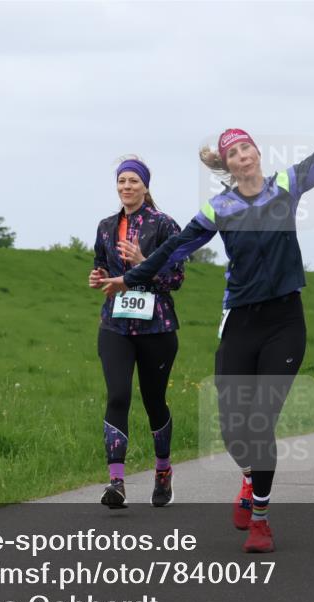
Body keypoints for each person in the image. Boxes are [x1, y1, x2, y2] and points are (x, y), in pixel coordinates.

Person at [100, 65, 314, 552]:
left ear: (257, 153)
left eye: (247, 147)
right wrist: (131, 276)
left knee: (261, 424)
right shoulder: (219, 209)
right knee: (233, 429)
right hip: (240, 322)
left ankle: (262, 520)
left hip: (285, 322)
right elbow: (174, 252)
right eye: (233, 152)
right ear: (227, 165)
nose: (243, 155)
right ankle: (249, 478)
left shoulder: (287, 186)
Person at [88, 157, 185, 509]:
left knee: (154, 401)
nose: (126, 186)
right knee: (117, 396)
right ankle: (116, 481)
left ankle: (162, 472)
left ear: (145, 186)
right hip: (114, 325)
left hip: (156, 326)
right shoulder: (106, 226)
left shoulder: (165, 225)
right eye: (121, 181)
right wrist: (98, 277)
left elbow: (176, 278)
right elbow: (101, 264)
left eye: (133, 181)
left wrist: (145, 261)